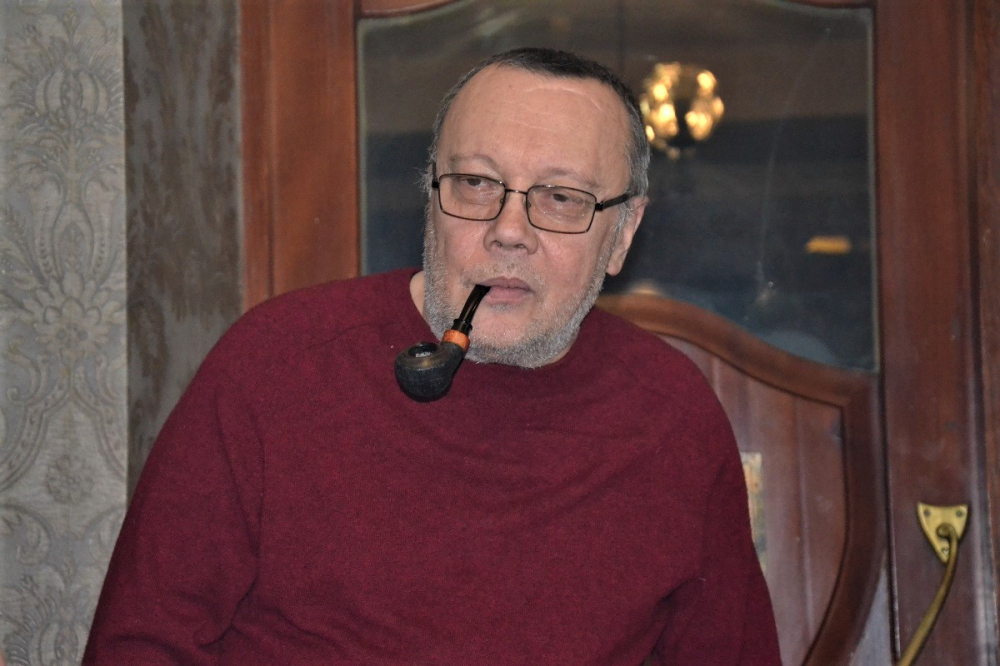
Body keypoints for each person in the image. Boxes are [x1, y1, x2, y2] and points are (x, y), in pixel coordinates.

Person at [84, 47, 780, 664]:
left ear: (623, 231)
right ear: (430, 196)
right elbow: (140, 647)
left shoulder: (672, 419)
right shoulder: (276, 365)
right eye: (476, 184)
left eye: (561, 198)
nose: (509, 231)